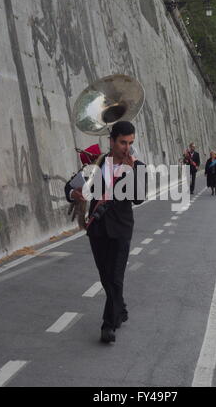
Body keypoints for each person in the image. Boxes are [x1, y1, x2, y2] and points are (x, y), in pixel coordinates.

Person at [65, 121, 146, 344]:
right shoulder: (96, 164)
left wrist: (131, 171)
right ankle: (121, 308)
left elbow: (138, 198)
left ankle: (108, 325)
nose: (127, 147)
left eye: (130, 143)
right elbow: (68, 188)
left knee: (116, 277)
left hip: (121, 230)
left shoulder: (137, 166)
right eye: (122, 142)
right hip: (97, 229)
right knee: (105, 277)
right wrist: (75, 193)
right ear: (111, 141)